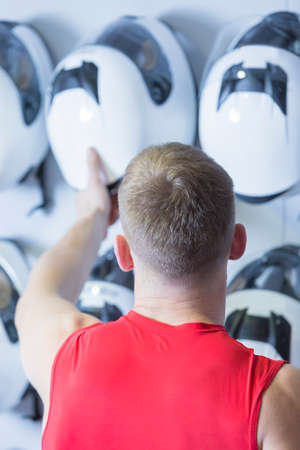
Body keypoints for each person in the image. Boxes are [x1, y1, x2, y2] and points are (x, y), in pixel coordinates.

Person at [15, 143, 300, 450]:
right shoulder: (278, 399)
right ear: (237, 243)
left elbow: (42, 287)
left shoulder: (62, 354)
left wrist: (94, 217)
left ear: (123, 254)